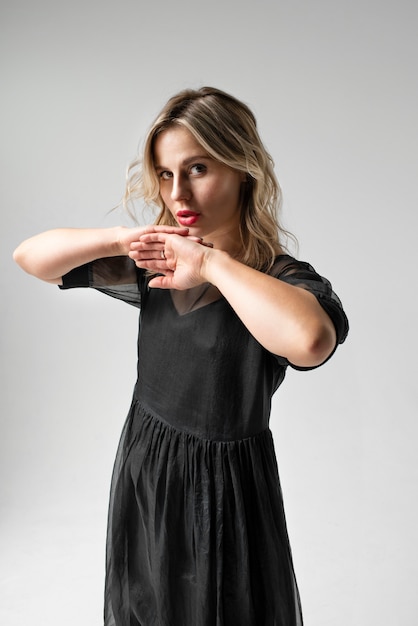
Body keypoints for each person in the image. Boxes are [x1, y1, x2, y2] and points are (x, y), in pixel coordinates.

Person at [13, 86, 349, 626]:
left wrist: (211, 265)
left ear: (242, 169)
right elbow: (31, 258)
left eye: (197, 168)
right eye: (166, 175)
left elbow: (312, 341)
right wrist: (123, 238)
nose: (178, 194)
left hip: (224, 492)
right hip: (145, 471)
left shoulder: (278, 280)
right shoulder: (154, 264)